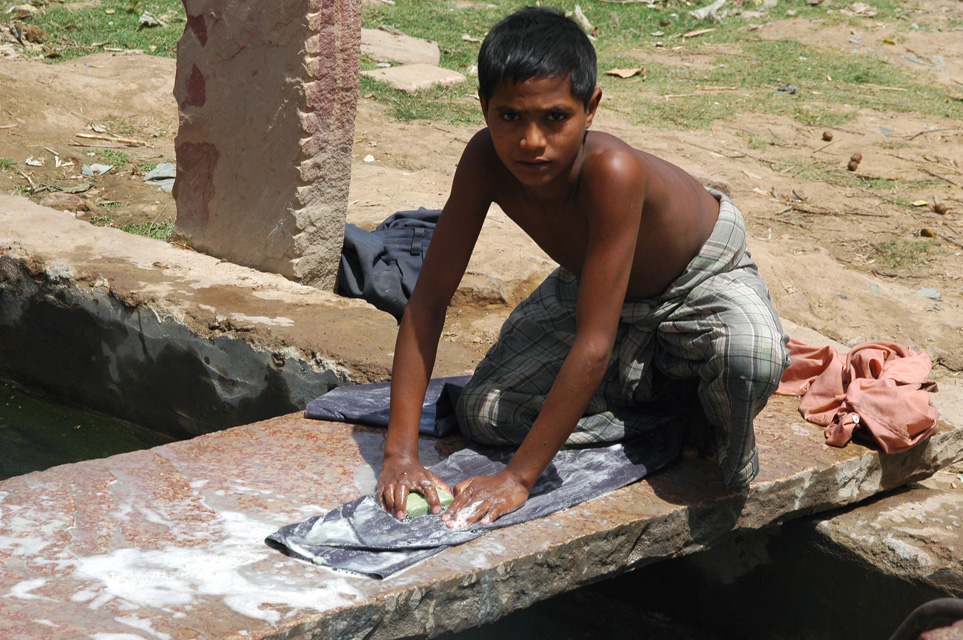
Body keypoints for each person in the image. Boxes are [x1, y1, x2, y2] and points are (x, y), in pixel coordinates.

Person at [376, 6, 789, 528]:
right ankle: (665, 401)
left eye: (554, 118)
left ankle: (688, 404)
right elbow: (428, 303)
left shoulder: (611, 171)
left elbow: (592, 346)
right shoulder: (483, 161)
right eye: (510, 117)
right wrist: (400, 457)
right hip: (596, 283)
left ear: (590, 108)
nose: (531, 141)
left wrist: (518, 479)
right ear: (483, 107)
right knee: (482, 411)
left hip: (699, 277)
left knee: (748, 359)